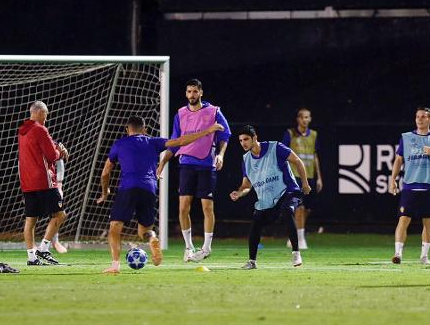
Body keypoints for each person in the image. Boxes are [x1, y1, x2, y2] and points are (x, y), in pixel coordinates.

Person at [97, 116, 223, 274]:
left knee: (115, 228)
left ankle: (115, 265)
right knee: (144, 231)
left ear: (127, 130)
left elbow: (105, 173)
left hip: (128, 188)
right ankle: (152, 238)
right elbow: (180, 141)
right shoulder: (153, 142)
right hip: (149, 188)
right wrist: (208, 131)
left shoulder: (119, 144)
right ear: (145, 130)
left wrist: (105, 191)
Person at [157, 79, 231, 263]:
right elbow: (175, 143)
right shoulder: (180, 114)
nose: (191, 95)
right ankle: (189, 248)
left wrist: (221, 155)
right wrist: (162, 164)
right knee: (183, 207)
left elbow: (224, 135)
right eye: (189, 91)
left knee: (207, 207)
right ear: (186, 93)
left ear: (201, 93)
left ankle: (206, 248)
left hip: (207, 164)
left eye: (195, 92)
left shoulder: (214, 111)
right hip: (186, 164)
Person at [230, 125, 311, 269]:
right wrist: (239, 193)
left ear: (255, 138)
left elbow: (298, 161)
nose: (243, 143)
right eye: (241, 140)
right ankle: (252, 262)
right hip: (267, 201)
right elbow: (246, 186)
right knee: (256, 222)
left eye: (246, 139)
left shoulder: (276, 148)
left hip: (289, 191)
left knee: (287, 211)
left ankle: (296, 253)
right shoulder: (246, 159)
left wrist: (304, 183)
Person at [389, 107, 430, 265]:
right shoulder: (406, 137)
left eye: (423, 117)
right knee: (403, 219)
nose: (420, 119)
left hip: (429, 187)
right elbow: (399, 160)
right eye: (417, 116)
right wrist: (392, 179)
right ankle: (398, 253)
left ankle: (424, 256)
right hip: (410, 186)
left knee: (428, 221)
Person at [18, 101, 69, 265]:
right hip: (43, 181)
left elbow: (40, 149)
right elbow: (52, 155)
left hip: (27, 182)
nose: (46, 119)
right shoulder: (40, 129)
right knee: (60, 215)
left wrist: (54, 148)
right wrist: (60, 152)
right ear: (40, 113)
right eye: (45, 115)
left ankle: (32, 258)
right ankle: (44, 248)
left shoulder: (22, 131)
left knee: (30, 221)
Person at [282, 108, 323, 249]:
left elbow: (315, 156)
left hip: (310, 175)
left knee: (307, 209)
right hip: (295, 175)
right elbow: (283, 154)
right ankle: (300, 239)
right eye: (303, 117)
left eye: (308, 117)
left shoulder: (314, 135)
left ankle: (293, 234)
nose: (305, 120)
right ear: (298, 119)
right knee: (299, 207)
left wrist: (319, 178)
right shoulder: (289, 134)